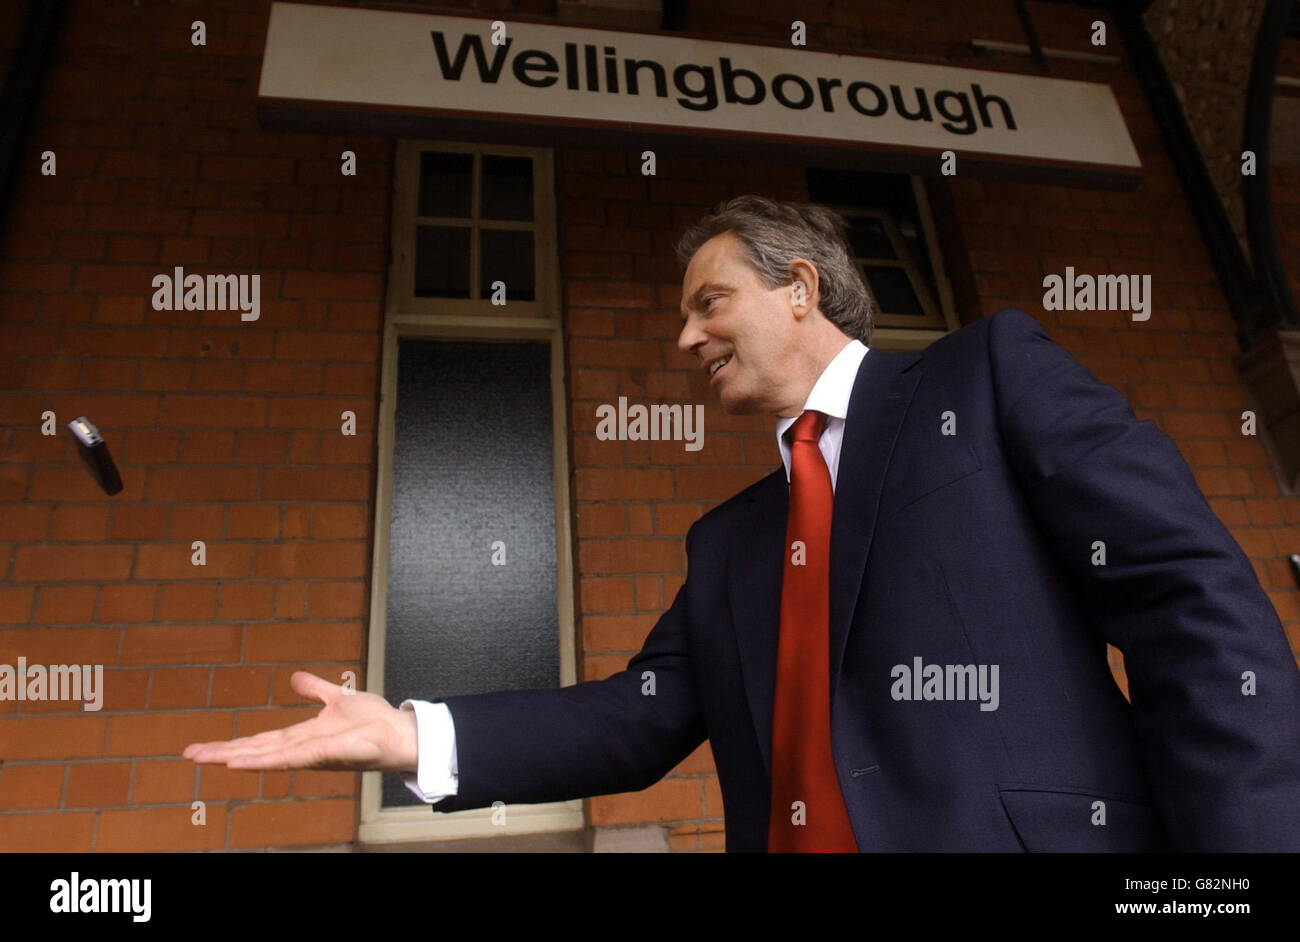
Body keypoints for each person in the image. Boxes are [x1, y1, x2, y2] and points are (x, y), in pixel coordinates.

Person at [185, 195, 1300, 852]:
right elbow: (640, 718)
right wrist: (414, 737)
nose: (684, 339)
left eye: (706, 303)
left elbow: (1188, 604)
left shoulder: (987, 377)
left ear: (801, 288)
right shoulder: (729, 543)